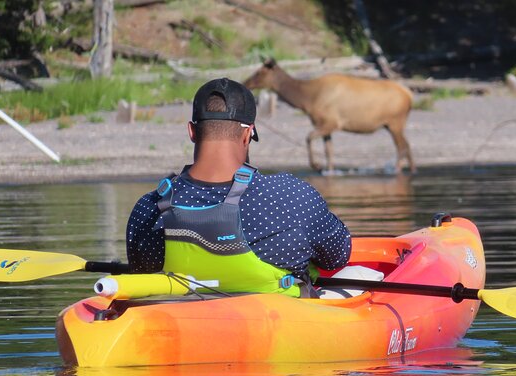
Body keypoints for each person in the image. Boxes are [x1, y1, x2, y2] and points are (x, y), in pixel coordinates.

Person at [126, 77, 351, 297]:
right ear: (247, 134)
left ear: (192, 132)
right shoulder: (292, 195)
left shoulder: (150, 208)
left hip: (184, 324)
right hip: (276, 326)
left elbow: (144, 273)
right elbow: (337, 256)